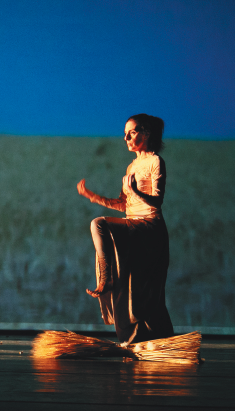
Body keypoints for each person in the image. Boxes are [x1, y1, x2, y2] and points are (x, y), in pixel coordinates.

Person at [76, 114, 174, 344]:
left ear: (146, 133)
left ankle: (107, 278)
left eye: (131, 132)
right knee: (130, 289)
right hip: (132, 224)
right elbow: (123, 204)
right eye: (124, 134)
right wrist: (93, 196)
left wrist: (137, 192)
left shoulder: (155, 162)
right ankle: (137, 340)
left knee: (100, 224)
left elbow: (157, 201)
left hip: (149, 227)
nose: (126, 138)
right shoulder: (132, 165)